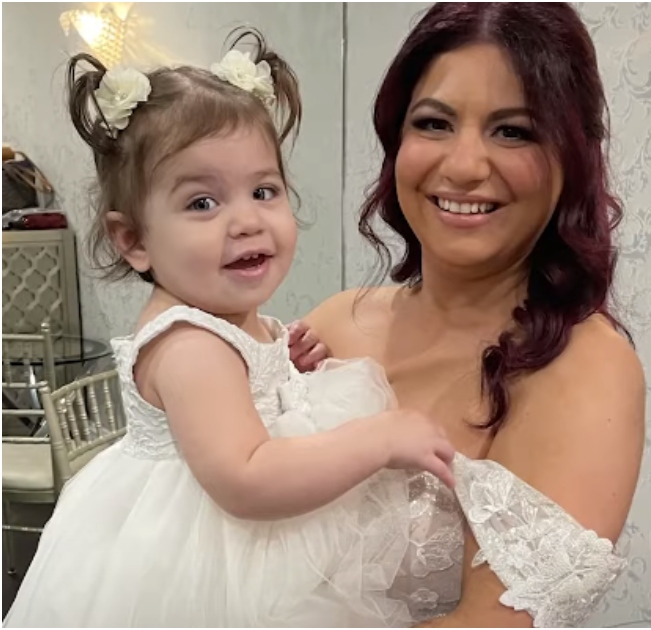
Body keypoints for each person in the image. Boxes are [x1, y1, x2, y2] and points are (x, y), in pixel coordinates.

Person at [3, 30, 457, 628]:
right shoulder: (190, 346)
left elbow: (246, 404)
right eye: (202, 203)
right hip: (200, 562)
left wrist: (286, 372)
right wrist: (379, 439)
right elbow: (247, 477)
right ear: (133, 240)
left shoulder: (227, 323)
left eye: (263, 191)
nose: (246, 220)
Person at [293, 3, 646, 627]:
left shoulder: (587, 366)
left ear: (573, 158)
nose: (462, 166)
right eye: (433, 123)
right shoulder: (336, 321)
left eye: (513, 132)